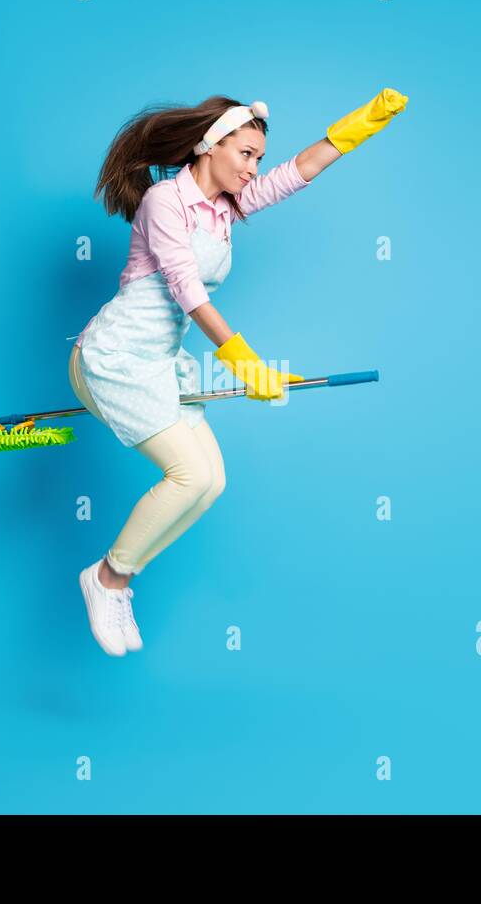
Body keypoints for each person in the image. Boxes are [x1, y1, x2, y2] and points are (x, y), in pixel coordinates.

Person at [70, 88, 409, 656]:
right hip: (114, 358)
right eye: (246, 154)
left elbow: (298, 172)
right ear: (207, 145)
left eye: (257, 157)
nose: (254, 168)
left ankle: (117, 581)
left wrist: (353, 130)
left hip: (157, 363)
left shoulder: (228, 206)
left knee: (210, 483)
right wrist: (243, 360)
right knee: (189, 476)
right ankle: (107, 579)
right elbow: (186, 288)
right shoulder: (164, 202)